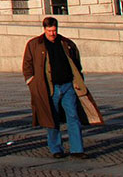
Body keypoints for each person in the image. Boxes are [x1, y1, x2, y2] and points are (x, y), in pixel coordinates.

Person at [22, 16, 88, 159]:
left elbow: (76, 61)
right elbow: (27, 64)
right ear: (44, 29)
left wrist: (78, 79)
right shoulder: (35, 44)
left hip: (68, 85)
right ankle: (56, 149)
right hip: (49, 87)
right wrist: (31, 81)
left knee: (73, 116)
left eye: (54, 30)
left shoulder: (66, 43)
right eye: (49, 31)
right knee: (51, 119)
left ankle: (77, 149)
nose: (52, 33)